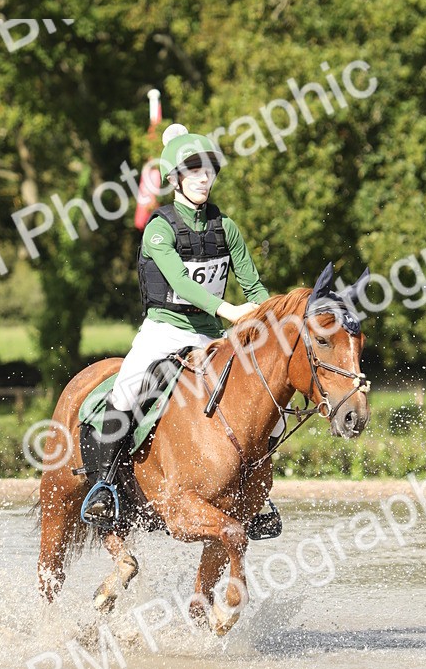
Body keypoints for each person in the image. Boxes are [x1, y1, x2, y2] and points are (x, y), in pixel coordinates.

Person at [82, 123, 280, 525]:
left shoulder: (227, 228)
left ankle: (254, 496)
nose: (204, 178)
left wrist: (277, 318)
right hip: (165, 330)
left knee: (268, 395)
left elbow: (253, 286)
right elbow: (181, 284)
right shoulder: (159, 229)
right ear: (175, 178)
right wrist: (229, 311)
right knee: (127, 389)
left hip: (211, 334)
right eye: (194, 171)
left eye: (209, 170)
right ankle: (103, 487)